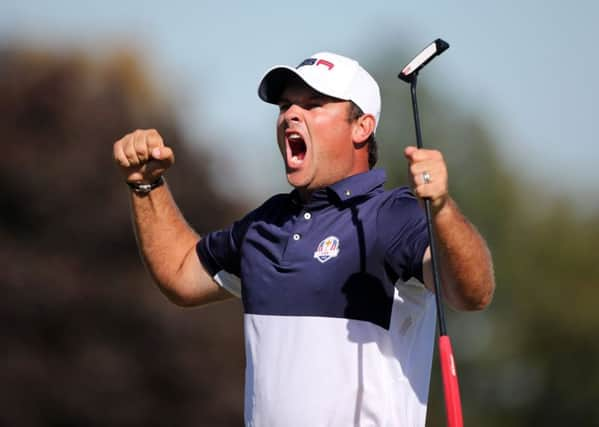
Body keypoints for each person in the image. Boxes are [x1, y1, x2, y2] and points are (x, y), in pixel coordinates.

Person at [113, 51, 495, 427]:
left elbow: (472, 292)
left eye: (313, 105)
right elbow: (180, 274)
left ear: (361, 127)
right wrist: (146, 184)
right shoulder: (264, 225)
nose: (291, 116)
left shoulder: (392, 216)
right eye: (285, 106)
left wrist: (442, 209)